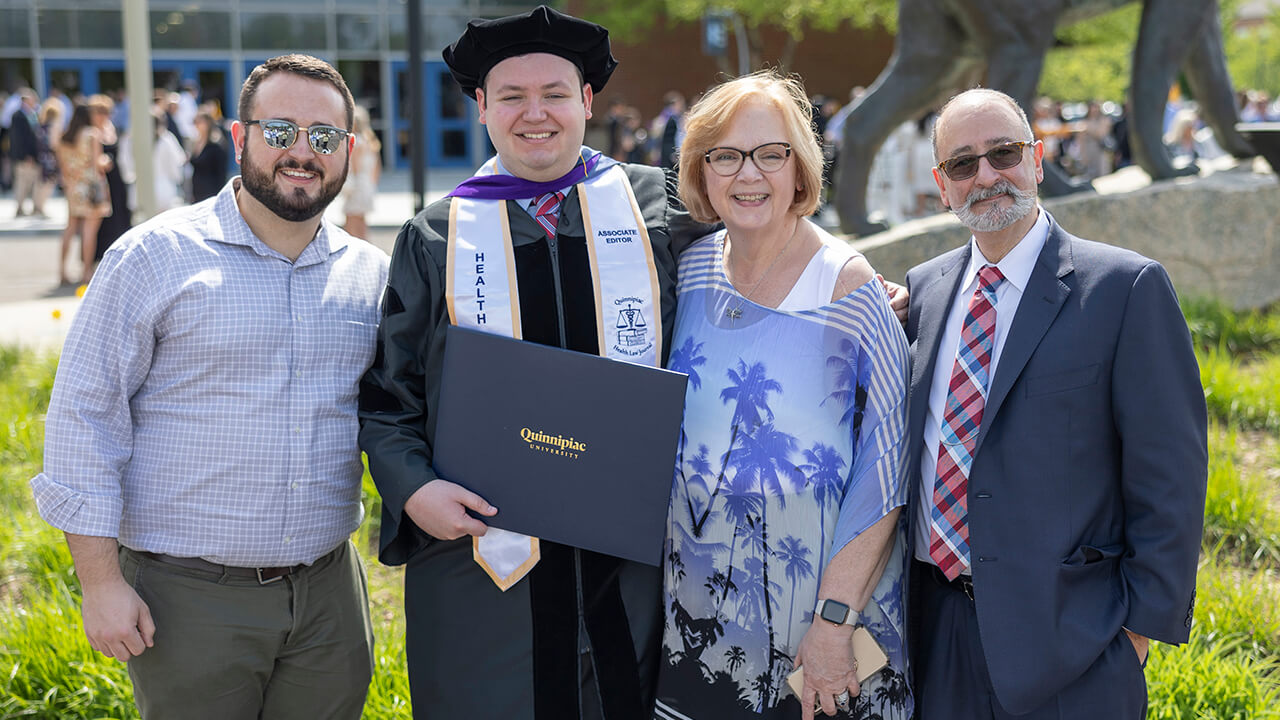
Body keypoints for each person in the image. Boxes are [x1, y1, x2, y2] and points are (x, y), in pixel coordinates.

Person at [357, 7, 712, 718]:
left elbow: (759, 271)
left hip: (636, 560)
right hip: (485, 562)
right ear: (481, 106)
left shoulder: (658, 206)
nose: (535, 114)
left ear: (587, 101)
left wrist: (860, 289)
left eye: (554, 93)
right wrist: (416, 489)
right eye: (511, 96)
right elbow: (390, 399)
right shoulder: (437, 234)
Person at [30, 54, 385, 720]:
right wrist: (100, 584)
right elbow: (85, 415)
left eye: (324, 137)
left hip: (329, 598)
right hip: (187, 600)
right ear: (240, 137)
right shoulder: (154, 257)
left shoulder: (370, 276)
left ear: (349, 151)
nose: (301, 152)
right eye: (280, 132)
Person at [903, 88, 1207, 719]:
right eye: (963, 164)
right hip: (937, 632)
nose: (986, 176)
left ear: (1037, 160)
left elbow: (1170, 473)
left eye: (1003, 153)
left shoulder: (1125, 289)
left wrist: (1135, 635)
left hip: (1073, 642)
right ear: (942, 185)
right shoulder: (924, 292)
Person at [654, 70, 911, 720]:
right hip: (694, 626)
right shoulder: (686, 273)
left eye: (772, 154)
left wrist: (832, 621)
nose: (749, 174)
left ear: (800, 169)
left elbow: (889, 469)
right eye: (726, 155)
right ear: (701, 172)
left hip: (822, 634)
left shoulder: (847, 288)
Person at [55, 102, 111, 285]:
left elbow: (63, 167)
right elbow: (97, 164)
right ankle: (86, 271)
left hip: (73, 187)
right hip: (91, 187)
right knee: (89, 231)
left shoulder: (64, 137)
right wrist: (106, 161)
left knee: (70, 229)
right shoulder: (92, 134)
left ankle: (62, 270)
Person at [89, 93, 133, 261]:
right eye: (99, 112)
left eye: (106, 112)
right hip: (100, 180)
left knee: (119, 214)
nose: (103, 116)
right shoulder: (91, 132)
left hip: (116, 178)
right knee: (102, 220)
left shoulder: (110, 127)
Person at [340, 104, 380, 239]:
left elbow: (355, 167)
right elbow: (376, 168)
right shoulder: (371, 142)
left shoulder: (356, 143)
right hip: (367, 184)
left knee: (350, 220)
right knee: (362, 220)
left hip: (357, 185)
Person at [9, 88, 47, 218]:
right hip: (25, 157)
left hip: (34, 156)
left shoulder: (33, 114)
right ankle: (19, 208)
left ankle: (36, 207)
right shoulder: (18, 116)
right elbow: (18, 139)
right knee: (22, 183)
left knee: (35, 183)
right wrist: (26, 155)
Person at [189, 110, 230, 202]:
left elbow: (221, 173)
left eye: (199, 122)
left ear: (207, 123)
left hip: (211, 193)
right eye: (195, 122)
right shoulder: (196, 143)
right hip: (197, 192)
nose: (196, 125)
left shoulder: (215, 145)